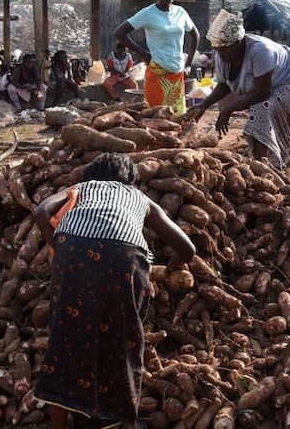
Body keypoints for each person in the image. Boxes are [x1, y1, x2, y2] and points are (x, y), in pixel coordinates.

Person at [31, 152, 195, 429]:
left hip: (72, 252)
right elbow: (187, 249)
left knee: (65, 335)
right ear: (131, 181)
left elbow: (41, 213)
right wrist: (173, 266)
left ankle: (60, 422)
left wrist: (59, 247)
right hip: (124, 258)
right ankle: (115, 420)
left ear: (91, 175)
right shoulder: (141, 199)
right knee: (121, 338)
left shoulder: (81, 189)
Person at [178, 11, 290, 169]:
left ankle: (267, 165)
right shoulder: (222, 55)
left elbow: (262, 93)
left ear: (238, 43)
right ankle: (258, 161)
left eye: (224, 50)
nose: (220, 55)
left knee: (263, 108)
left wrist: (228, 110)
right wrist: (203, 105)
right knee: (259, 112)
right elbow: (224, 85)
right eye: (217, 50)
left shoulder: (261, 51)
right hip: (271, 81)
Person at [114, 0, 200, 114]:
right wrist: (143, 53)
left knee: (176, 117)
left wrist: (189, 64)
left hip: (177, 74)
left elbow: (195, 35)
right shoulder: (147, 13)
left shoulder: (181, 12)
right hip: (157, 72)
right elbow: (119, 33)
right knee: (155, 116)